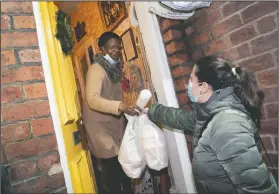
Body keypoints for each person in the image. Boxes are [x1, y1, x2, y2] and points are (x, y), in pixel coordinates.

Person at [145, 56, 278, 194]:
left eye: (191, 79)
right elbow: (179, 118)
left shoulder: (227, 124)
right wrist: (150, 111)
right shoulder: (210, 114)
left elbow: (257, 189)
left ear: (203, 87)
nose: (187, 84)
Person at [83, 31, 138, 193]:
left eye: (118, 47)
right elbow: (93, 99)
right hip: (100, 128)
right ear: (102, 49)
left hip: (114, 123)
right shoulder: (96, 70)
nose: (116, 51)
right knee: (114, 169)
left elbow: (114, 94)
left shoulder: (114, 69)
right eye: (111, 48)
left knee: (124, 167)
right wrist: (120, 106)